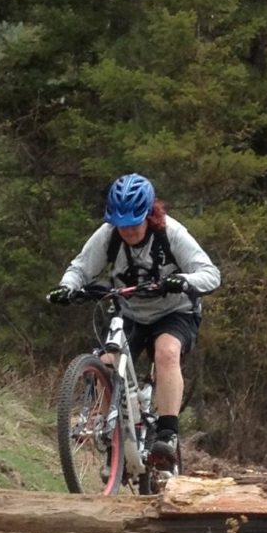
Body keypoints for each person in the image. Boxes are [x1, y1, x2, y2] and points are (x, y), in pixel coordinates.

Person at [49, 174, 220, 472]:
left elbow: (210, 274)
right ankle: (111, 440)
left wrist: (182, 281)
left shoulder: (172, 233)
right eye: (120, 223)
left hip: (175, 311)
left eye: (133, 223)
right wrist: (67, 287)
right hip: (130, 310)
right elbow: (81, 268)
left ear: (149, 215)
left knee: (166, 351)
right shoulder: (108, 234)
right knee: (105, 360)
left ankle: (167, 434)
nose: (126, 230)